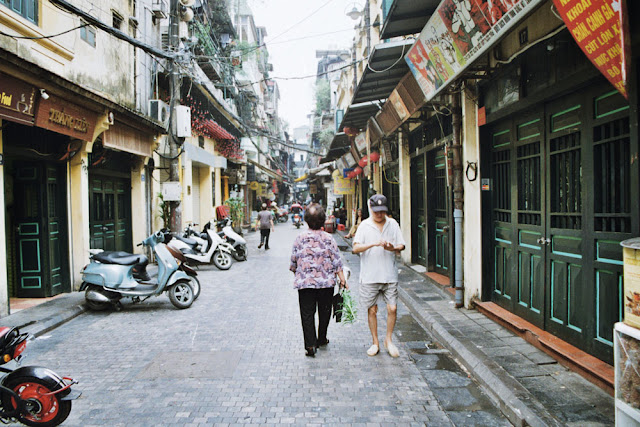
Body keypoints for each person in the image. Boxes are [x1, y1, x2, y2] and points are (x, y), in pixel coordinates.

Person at [290, 203, 348, 357]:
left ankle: (310, 345)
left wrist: (300, 274)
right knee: (325, 311)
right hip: (326, 284)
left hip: (305, 283)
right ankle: (321, 338)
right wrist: (342, 279)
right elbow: (337, 261)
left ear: (306, 220)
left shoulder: (299, 238)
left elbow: (293, 262)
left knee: (307, 313)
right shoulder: (329, 238)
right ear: (323, 220)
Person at [352, 195, 405, 357]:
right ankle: (375, 342)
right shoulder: (364, 226)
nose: (379, 215)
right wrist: (373, 244)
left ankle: (388, 339)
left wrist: (391, 247)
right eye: (376, 212)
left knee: (392, 308)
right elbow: (355, 248)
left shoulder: (393, 224)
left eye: (382, 212)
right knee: (372, 310)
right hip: (369, 275)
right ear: (371, 209)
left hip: (389, 274)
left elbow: (401, 245)